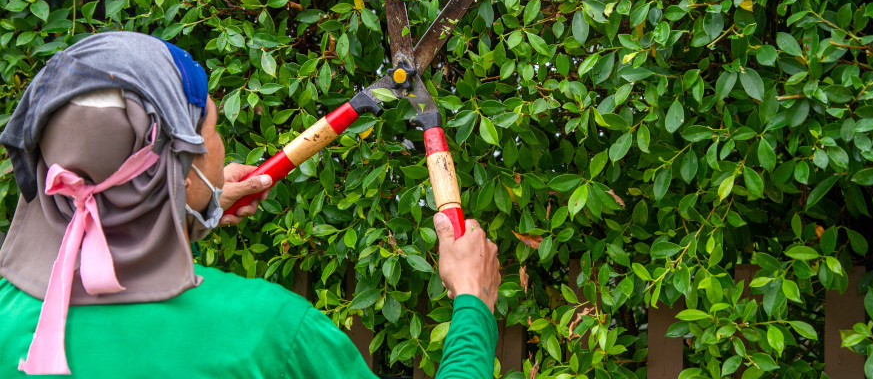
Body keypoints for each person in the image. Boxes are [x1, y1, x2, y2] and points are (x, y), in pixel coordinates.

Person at [0, 31, 501, 378]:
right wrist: (472, 303)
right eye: (213, 127)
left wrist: (196, 205)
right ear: (179, 163)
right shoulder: (271, 334)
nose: (220, 146)